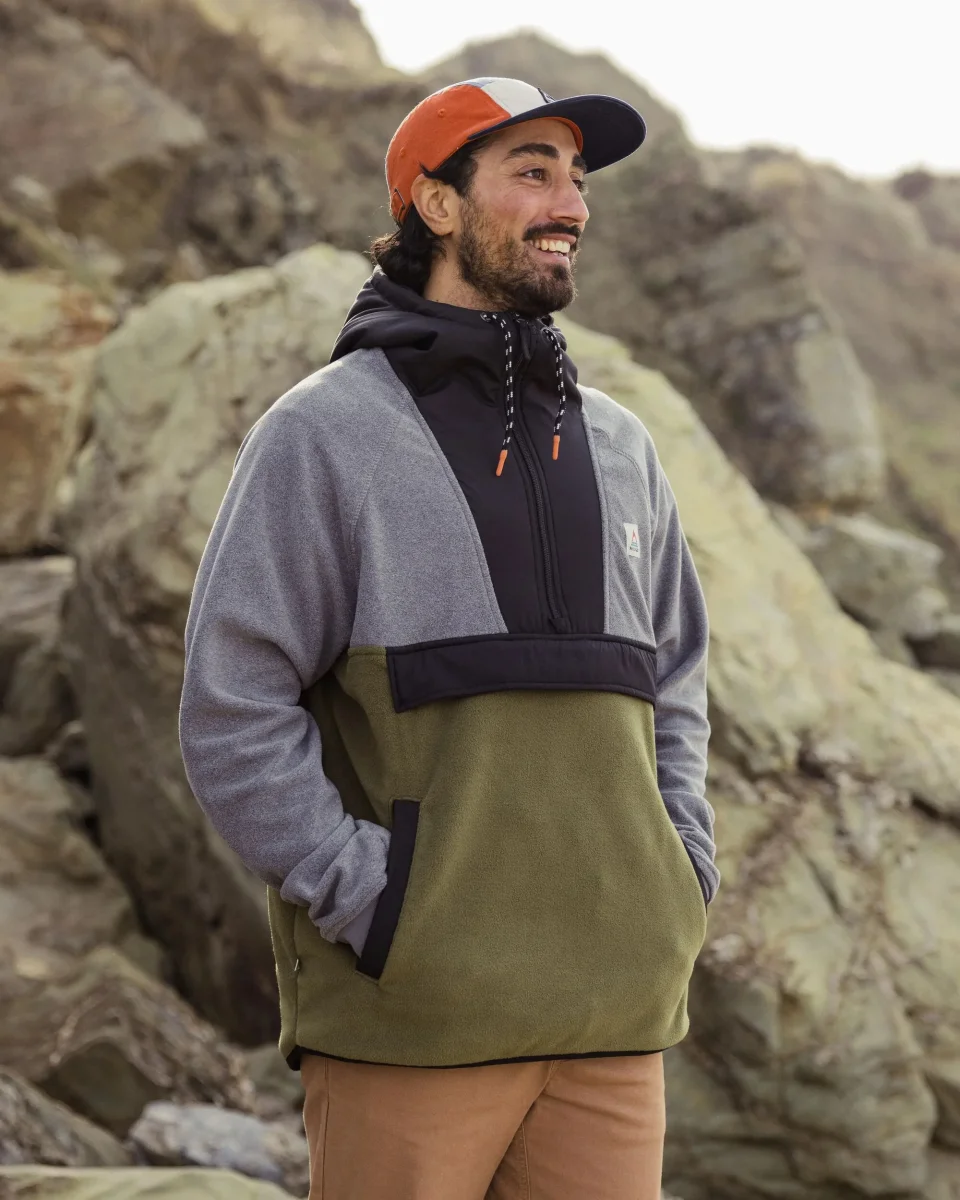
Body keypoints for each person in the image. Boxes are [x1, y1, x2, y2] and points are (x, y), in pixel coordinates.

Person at [179, 76, 719, 1200]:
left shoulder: (623, 447)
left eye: (578, 178)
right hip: (412, 1021)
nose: (571, 204)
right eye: (533, 172)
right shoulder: (324, 433)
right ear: (435, 202)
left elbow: (673, 685)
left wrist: (678, 874)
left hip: (614, 1023)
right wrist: (376, 906)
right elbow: (231, 705)